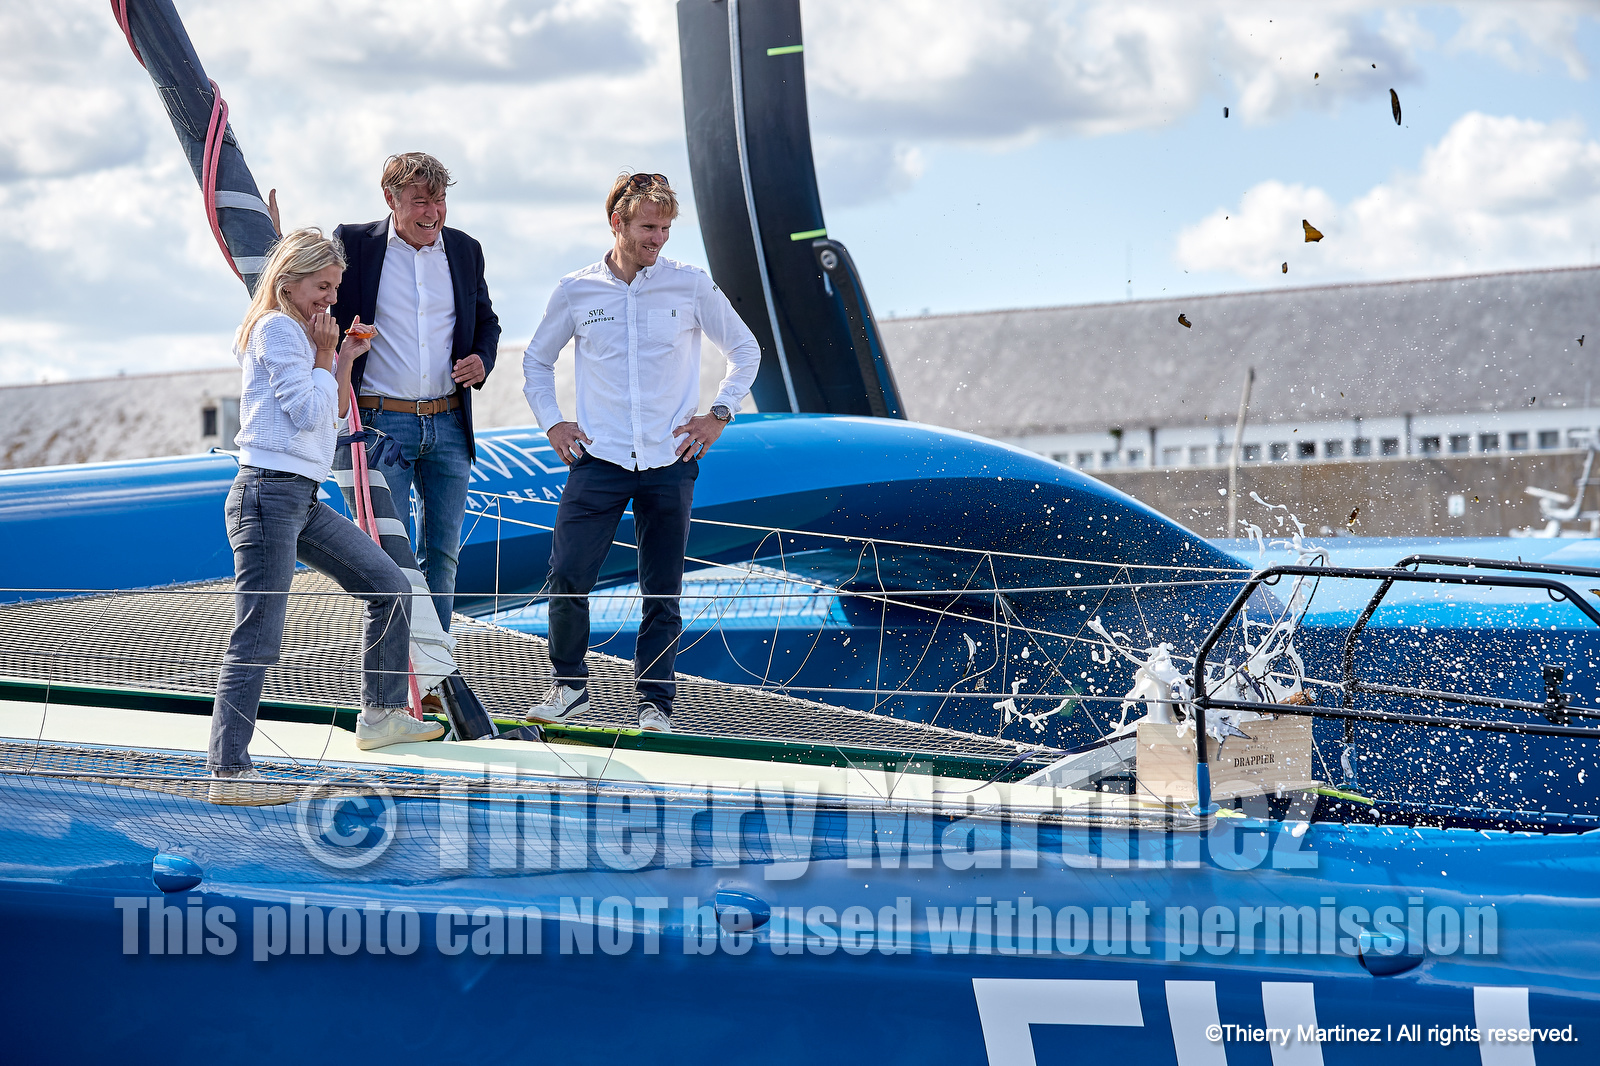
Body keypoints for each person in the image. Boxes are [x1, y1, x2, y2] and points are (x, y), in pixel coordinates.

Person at [210, 228, 444, 806]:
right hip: (267, 494)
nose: (331, 300)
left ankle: (382, 711)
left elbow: (334, 419)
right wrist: (323, 355)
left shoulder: (305, 335)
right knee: (258, 633)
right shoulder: (276, 330)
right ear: (288, 281)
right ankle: (228, 771)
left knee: (388, 585)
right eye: (322, 286)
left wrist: (343, 360)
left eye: (336, 288)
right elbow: (307, 407)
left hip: (301, 496)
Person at [522, 172, 761, 733]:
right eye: (648, 227)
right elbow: (536, 361)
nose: (658, 239)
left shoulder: (691, 285)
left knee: (662, 588)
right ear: (618, 224)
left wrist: (719, 413)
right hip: (598, 460)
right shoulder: (575, 290)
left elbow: (745, 350)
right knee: (568, 577)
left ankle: (655, 704)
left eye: (666, 228)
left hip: (670, 460)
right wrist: (552, 422)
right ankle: (570, 689)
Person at [331, 152, 501, 632]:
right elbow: (313, 297)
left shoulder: (466, 250)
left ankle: (433, 673)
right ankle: (394, 677)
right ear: (390, 199)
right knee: (388, 560)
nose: (433, 212)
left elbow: (486, 322)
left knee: (443, 556)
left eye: (441, 200)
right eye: (421, 201)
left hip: (450, 423)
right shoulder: (352, 243)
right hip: (381, 424)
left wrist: (482, 360)